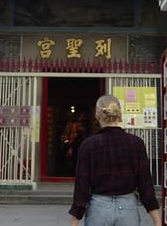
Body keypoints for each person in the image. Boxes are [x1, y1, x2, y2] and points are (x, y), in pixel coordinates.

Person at [68, 95, 161, 226]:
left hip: (98, 208)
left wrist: (75, 220)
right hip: (128, 207)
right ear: (120, 114)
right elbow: (145, 182)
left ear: (97, 116)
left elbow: (82, 185)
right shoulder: (136, 143)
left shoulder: (88, 145)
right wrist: (156, 219)